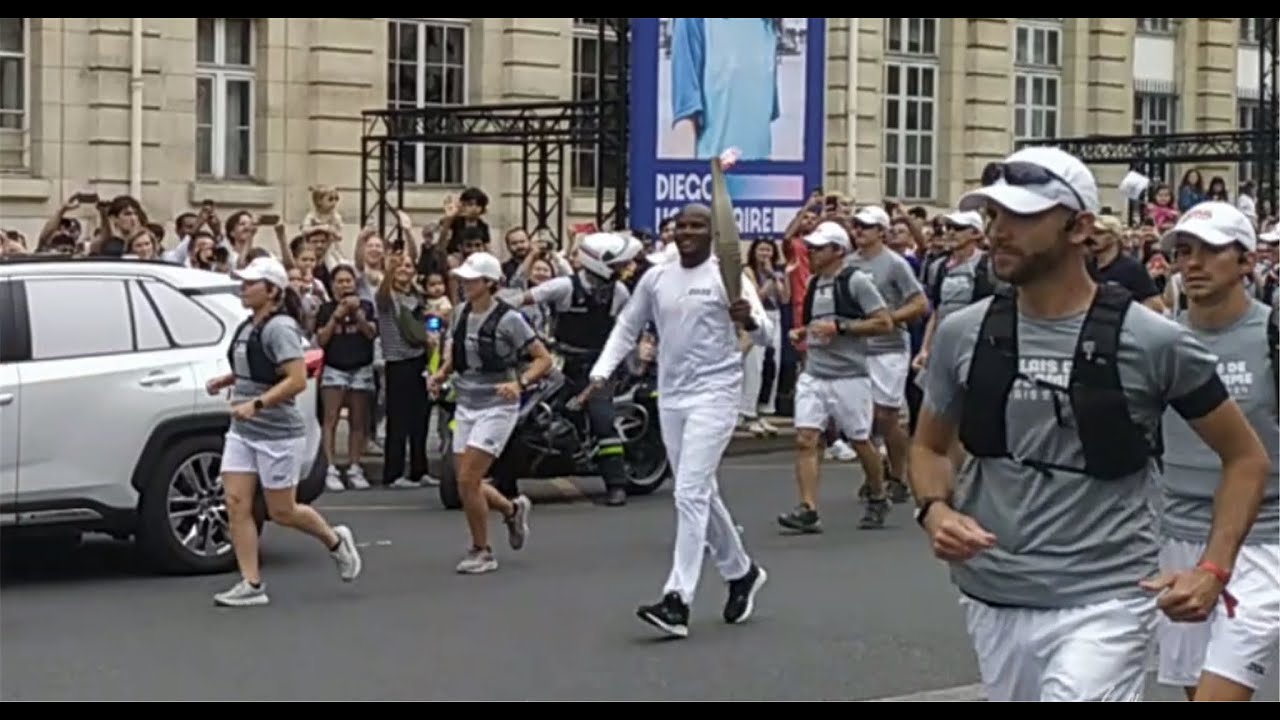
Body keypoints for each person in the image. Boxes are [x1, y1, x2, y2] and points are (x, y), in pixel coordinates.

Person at [909, 147, 1270, 701]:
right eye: (994, 216)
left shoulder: (1154, 340)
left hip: (1107, 599)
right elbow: (930, 448)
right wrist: (935, 510)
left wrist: (1214, 567)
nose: (999, 232)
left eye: (1022, 216)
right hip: (992, 592)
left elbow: (1245, 457)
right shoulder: (963, 333)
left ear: (1079, 227)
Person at [587, 203, 771, 638]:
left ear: (713, 233)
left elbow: (766, 333)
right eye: (680, 226)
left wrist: (748, 319)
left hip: (716, 394)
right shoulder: (657, 277)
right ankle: (740, 571)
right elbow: (627, 327)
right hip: (672, 396)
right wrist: (601, 371)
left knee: (688, 491)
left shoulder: (729, 278)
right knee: (701, 491)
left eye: (696, 226)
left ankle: (678, 599)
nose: (685, 232)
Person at [1154, 201, 1279, 702]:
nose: (1194, 264)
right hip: (1179, 536)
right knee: (1196, 689)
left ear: (1247, 262)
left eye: (1211, 251)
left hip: (1265, 541)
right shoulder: (1159, 341)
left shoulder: (1272, 336)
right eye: (1184, 252)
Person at [205, 256, 363, 607]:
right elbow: (259, 366)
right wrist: (228, 381)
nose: (243, 288)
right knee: (235, 502)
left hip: (277, 432)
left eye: (251, 283)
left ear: (272, 291)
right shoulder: (248, 326)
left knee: (283, 511)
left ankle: (335, 541)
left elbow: (295, 379)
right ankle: (251, 582)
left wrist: (257, 404)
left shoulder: (281, 328)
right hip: (243, 431)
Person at [427, 252, 554, 574]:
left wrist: (520, 384)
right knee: (463, 480)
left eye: (471, 280)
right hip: (466, 402)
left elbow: (543, 359)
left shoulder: (510, 320)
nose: (464, 284)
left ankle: (482, 549)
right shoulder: (459, 314)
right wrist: (442, 373)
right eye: (463, 279)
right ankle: (511, 510)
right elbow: (457, 354)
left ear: (489, 283)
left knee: (469, 479)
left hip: (498, 405)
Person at [777, 220, 894, 534]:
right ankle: (808, 508)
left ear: (837, 251)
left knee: (859, 441)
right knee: (805, 439)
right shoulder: (815, 283)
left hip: (849, 376)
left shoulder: (855, 282)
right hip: (815, 373)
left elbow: (883, 323)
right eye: (811, 247)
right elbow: (817, 322)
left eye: (819, 247)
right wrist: (802, 332)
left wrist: (841, 328)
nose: (812, 252)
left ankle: (878, 493)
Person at [521, 232, 639, 507]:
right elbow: (523, 298)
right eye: (618, 265)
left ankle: (616, 483)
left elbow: (629, 324)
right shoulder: (563, 286)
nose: (623, 270)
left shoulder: (619, 292)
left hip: (600, 364)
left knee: (601, 417)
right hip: (562, 360)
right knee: (534, 409)